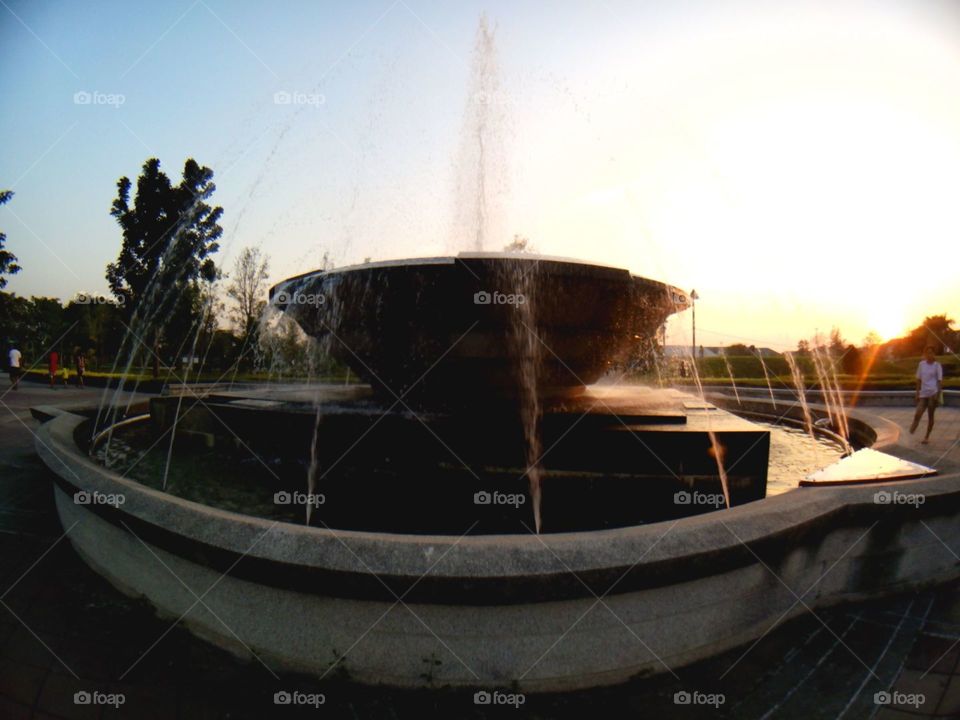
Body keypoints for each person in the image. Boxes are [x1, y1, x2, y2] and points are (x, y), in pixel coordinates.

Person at [910, 346, 943, 444]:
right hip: (923, 394)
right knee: (917, 414)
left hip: (933, 394)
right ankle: (911, 430)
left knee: (930, 416)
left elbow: (939, 381)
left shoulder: (937, 366)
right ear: (925, 354)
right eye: (927, 353)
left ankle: (926, 437)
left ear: (934, 354)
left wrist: (938, 394)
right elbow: (918, 380)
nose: (929, 355)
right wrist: (917, 393)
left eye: (931, 353)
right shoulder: (921, 364)